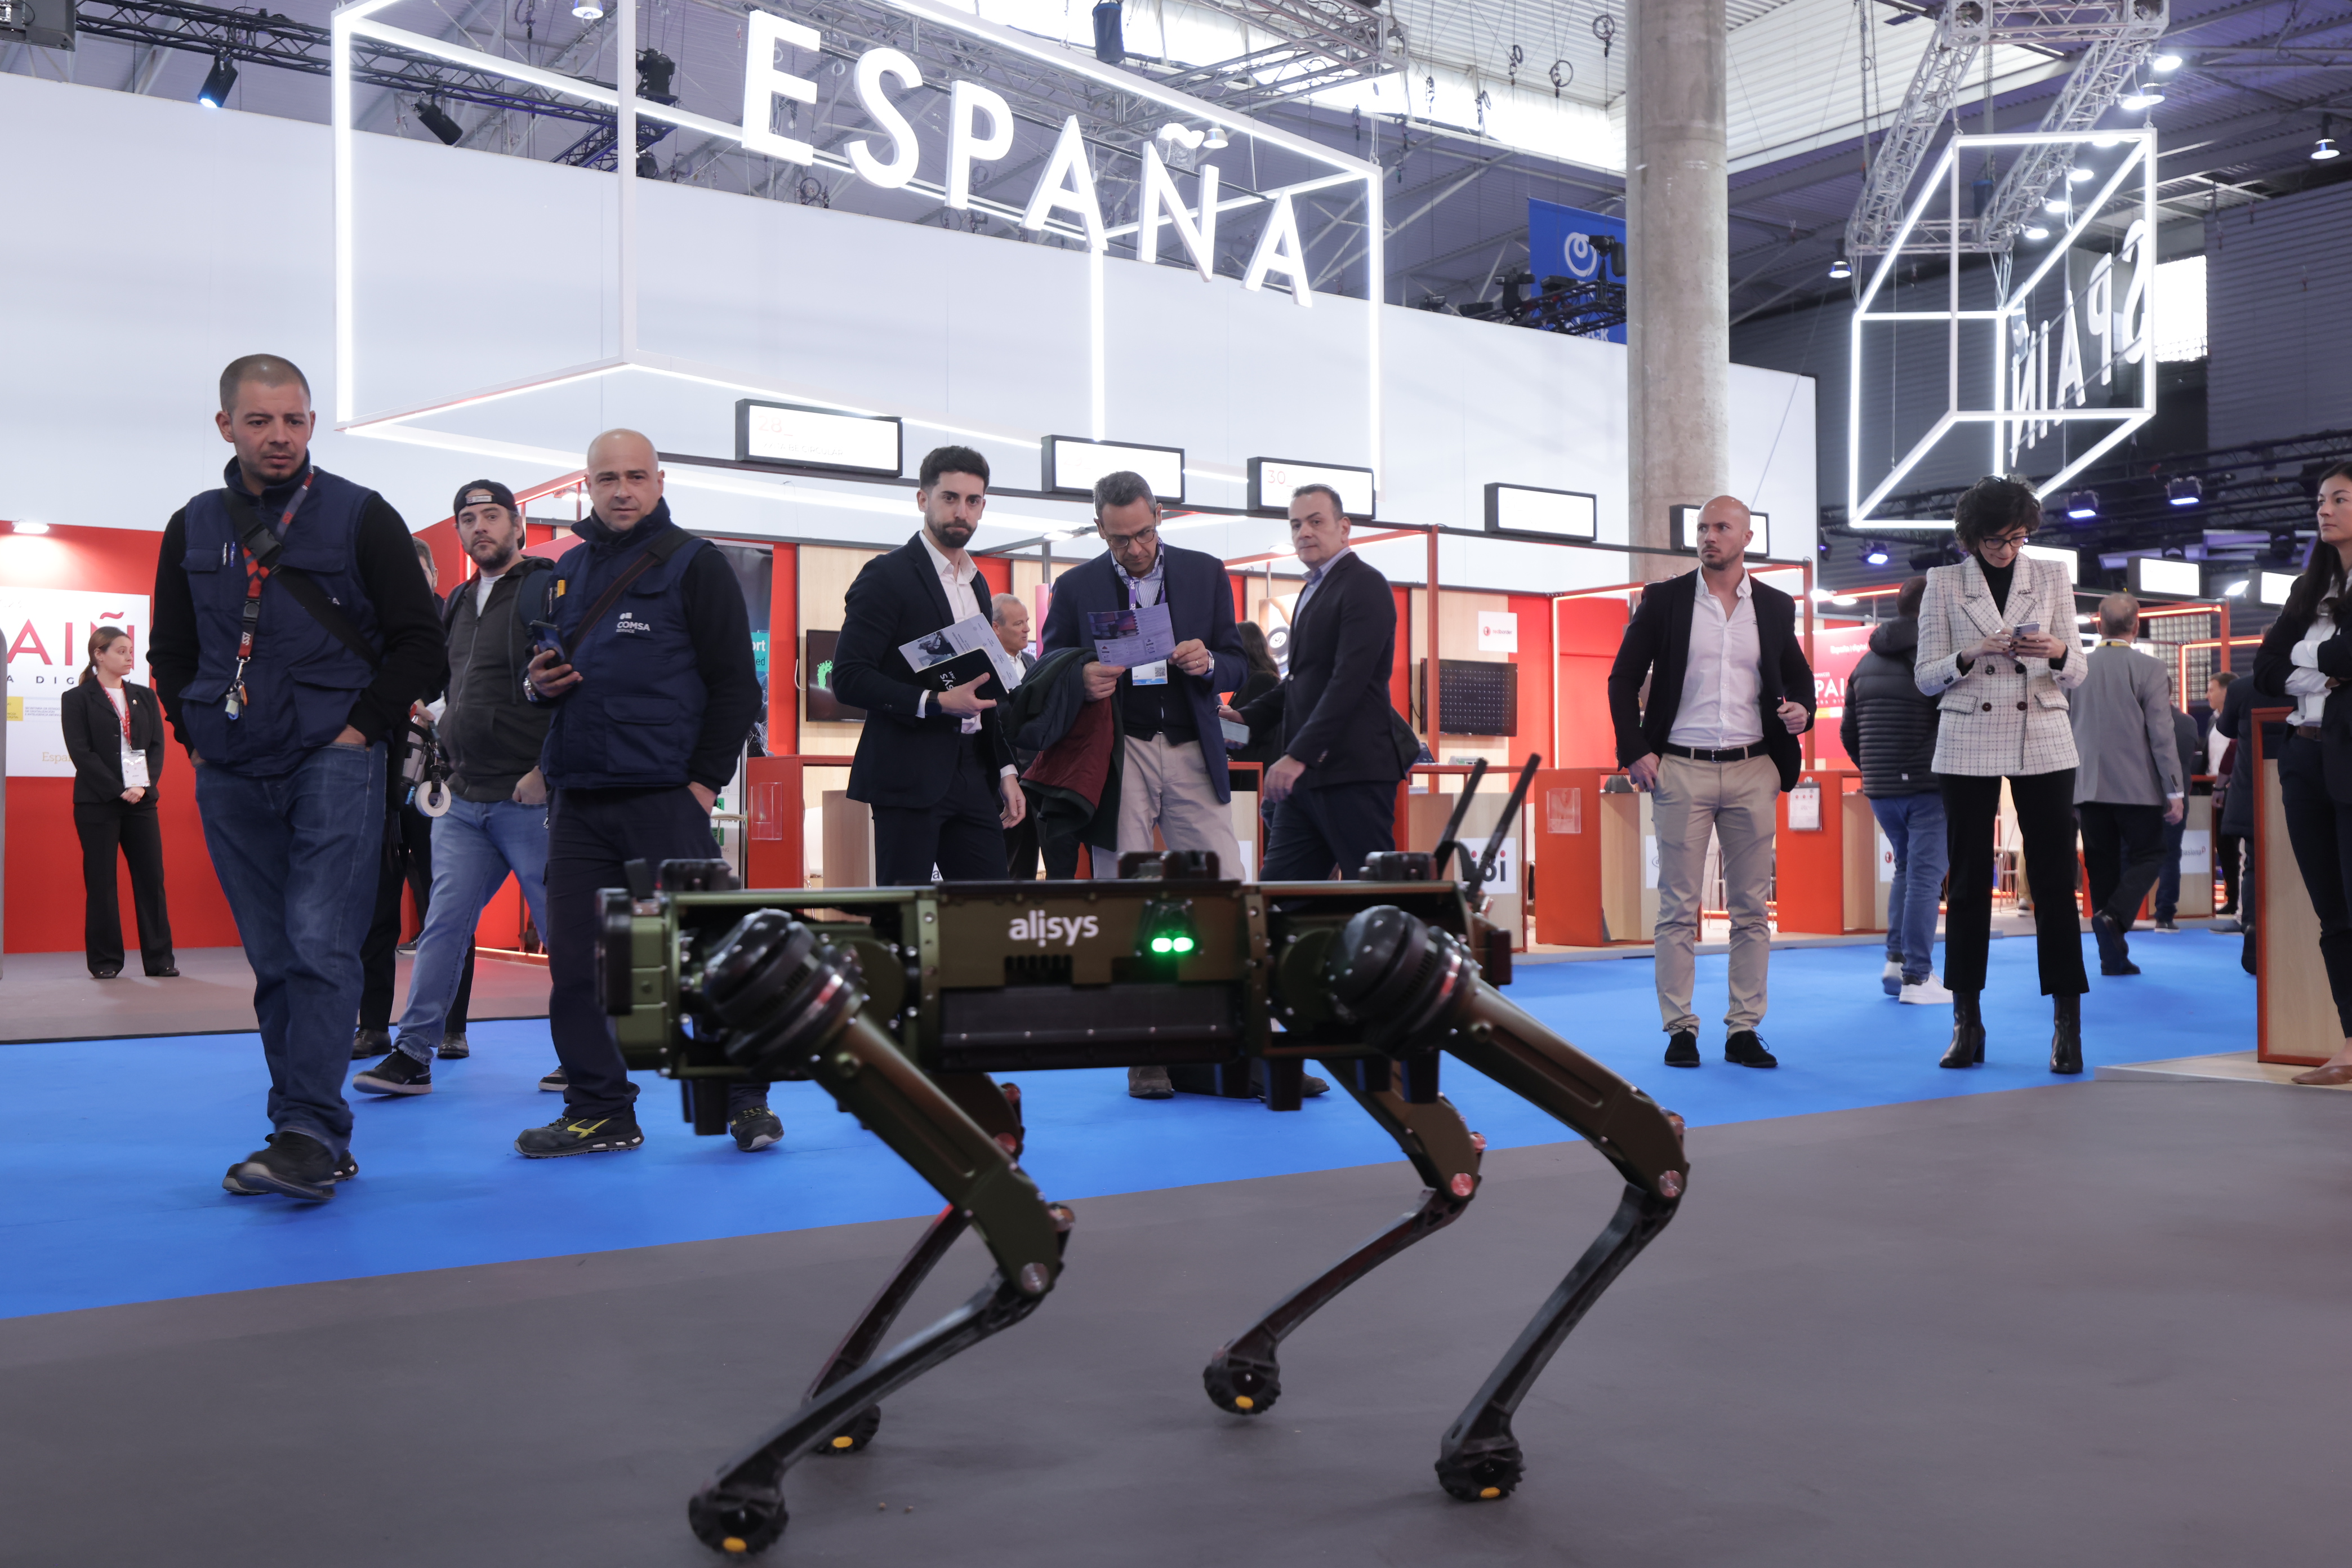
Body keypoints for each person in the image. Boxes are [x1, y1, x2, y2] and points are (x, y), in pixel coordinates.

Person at [150, 354, 446, 1201]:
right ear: (226, 427)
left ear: (312, 424)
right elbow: (171, 652)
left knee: (319, 946)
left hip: (334, 760)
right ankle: (306, 1131)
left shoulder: (363, 515)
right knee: (275, 958)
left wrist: (359, 731)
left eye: (294, 420)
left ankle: (309, 1132)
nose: (279, 437)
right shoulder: (192, 525)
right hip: (230, 767)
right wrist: (196, 737)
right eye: (259, 421)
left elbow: (421, 647)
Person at [520, 430, 770, 1153]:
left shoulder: (697, 565)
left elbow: (736, 688)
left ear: (660, 483)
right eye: (608, 478)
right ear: (588, 487)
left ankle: (745, 1096)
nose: (622, 490)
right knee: (576, 966)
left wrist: (701, 786)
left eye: (636, 476)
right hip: (579, 800)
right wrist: (535, 687)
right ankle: (600, 1109)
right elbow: (538, 678)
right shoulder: (564, 572)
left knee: (707, 956)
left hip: (665, 796)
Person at [353, 480, 553, 1098]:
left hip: (531, 797)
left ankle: (589, 1058)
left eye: (492, 516)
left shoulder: (547, 589)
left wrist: (546, 771)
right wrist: (438, 716)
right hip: (465, 796)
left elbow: (578, 686)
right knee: (442, 926)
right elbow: (453, 684)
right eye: (468, 519)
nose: (480, 527)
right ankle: (414, 1053)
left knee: (565, 934)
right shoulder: (460, 601)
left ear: (517, 525)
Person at [1607, 495, 1815, 1070]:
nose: (1709, 537)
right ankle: (1680, 1029)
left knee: (1751, 909)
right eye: (1703, 528)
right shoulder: (1665, 600)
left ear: (1747, 538)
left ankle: (1743, 1029)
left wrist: (1804, 709)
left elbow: (1797, 674)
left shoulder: (1774, 605)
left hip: (1753, 768)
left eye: (1722, 527)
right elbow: (1623, 679)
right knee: (1678, 908)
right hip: (1680, 767)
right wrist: (1635, 751)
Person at [1913, 476, 2088, 1073]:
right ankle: (1966, 1021)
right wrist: (1972, 654)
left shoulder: (2052, 577)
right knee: (1967, 884)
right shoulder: (1943, 583)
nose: (2007, 549)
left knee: (2056, 883)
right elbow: (1926, 677)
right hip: (1967, 735)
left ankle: (2067, 1025)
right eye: (1995, 540)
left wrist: (2056, 652)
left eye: (2017, 538)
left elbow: (2078, 670)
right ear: (1970, 537)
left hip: (2044, 732)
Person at [831, 446, 1026, 884]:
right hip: (908, 772)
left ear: (983, 506)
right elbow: (848, 678)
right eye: (950, 498)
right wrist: (935, 701)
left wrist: (1005, 770)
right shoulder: (886, 576)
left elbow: (984, 686)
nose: (962, 512)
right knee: (906, 912)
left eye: (972, 501)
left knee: (990, 908)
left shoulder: (977, 584)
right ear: (923, 499)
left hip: (973, 770)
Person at [1040, 470, 1247, 880]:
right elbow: (1050, 667)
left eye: (1144, 534)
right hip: (1120, 751)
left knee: (1222, 880)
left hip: (1193, 747)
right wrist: (1081, 677)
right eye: (1120, 539)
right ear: (1100, 529)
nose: (1135, 549)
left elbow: (1238, 665)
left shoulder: (1205, 573)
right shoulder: (1076, 586)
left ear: (1159, 515)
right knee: (1121, 881)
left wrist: (1208, 662)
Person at [1226, 484, 1409, 882]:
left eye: (1315, 521)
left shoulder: (1364, 584)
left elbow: (1350, 681)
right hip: (1306, 781)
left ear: (1344, 528)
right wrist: (1245, 717)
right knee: (1279, 896)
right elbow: (1301, 681)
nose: (1304, 532)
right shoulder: (1313, 588)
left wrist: (1298, 755)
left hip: (1352, 774)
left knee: (1377, 893)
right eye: (1296, 525)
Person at [2251, 459, 2352, 1086]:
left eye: (2340, 499)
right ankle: (2351, 1044)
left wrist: (2303, 654)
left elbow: (2349, 653)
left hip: (2349, 755)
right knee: (2333, 914)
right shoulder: (2308, 585)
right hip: (2304, 758)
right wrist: (2322, 670)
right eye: (2321, 500)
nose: (2325, 510)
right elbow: (2263, 670)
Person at [353, 535, 451, 1059]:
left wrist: (435, 711)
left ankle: (452, 1028)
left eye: (417, 574)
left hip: (442, 781)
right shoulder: (375, 628)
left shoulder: (457, 622)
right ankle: (373, 1025)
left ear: (434, 576)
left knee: (447, 906)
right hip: (382, 774)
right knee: (376, 906)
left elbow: (472, 688)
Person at [1837, 576, 1948, 1003]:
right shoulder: (1933, 661)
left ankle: (1896, 961)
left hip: (1881, 791)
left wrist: (1874, 770)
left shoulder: (1864, 663)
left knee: (1907, 869)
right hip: (1928, 786)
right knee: (1924, 877)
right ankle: (1917, 977)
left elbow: (1849, 733)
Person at [2070, 594, 2187, 975]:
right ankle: (2116, 917)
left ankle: (2112, 958)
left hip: (2087, 785)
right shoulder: (2150, 668)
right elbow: (2162, 734)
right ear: (2136, 625)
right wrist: (2174, 790)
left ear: (2098, 623)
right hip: (2138, 786)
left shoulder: (2076, 668)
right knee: (2151, 854)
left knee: (2101, 867)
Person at [60, 625, 177, 980]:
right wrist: (117, 789)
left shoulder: (145, 695)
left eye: (131, 651)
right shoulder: (77, 698)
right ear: (99, 654)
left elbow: (156, 747)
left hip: (142, 800)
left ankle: (160, 960)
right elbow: (81, 752)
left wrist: (141, 786)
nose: (129, 657)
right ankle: (106, 961)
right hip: (98, 802)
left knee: (151, 879)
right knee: (101, 882)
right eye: (121, 651)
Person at [994, 591, 1043, 880]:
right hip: (999, 780)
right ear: (996, 628)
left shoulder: (1034, 663)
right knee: (997, 865)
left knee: (1027, 864)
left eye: (1027, 622)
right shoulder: (982, 668)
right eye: (1018, 624)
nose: (1027, 629)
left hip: (1036, 780)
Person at [2151, 696, 2205, 931]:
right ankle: (2165, 915)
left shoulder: (2143, 721)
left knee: (2129, 854)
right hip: (2177, 797)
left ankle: (2120, 912)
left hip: (2145, 797)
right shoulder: (2188, 722)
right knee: (2171, 856)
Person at [2206, 671, 2243, 918]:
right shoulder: (2213, 721)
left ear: (2226, 692)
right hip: (2214, 791)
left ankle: (2240, 900)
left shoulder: (2239, 718)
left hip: (2235, 790)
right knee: (2224, 847)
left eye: (2212, 689)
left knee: (2237, 847)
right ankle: (2232, 897)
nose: (2207, 695)